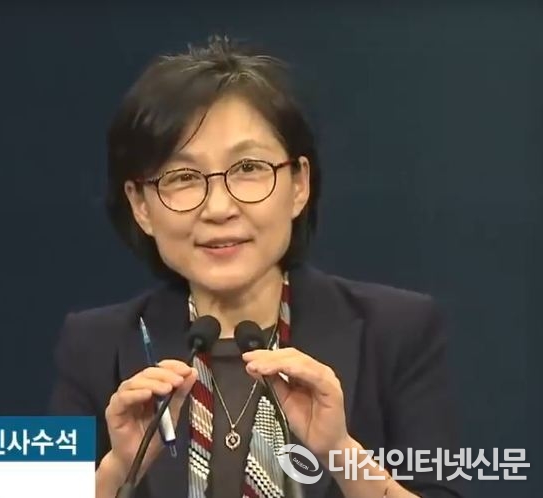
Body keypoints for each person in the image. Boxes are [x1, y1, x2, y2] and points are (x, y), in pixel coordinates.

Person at [49, 35, 463, 498]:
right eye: (183, 177)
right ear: (141, 205)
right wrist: (115, 471)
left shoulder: (396, 331)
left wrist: (342, 454)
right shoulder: (94, 346)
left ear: (299, 184)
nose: (219, 208)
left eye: (248, 168)